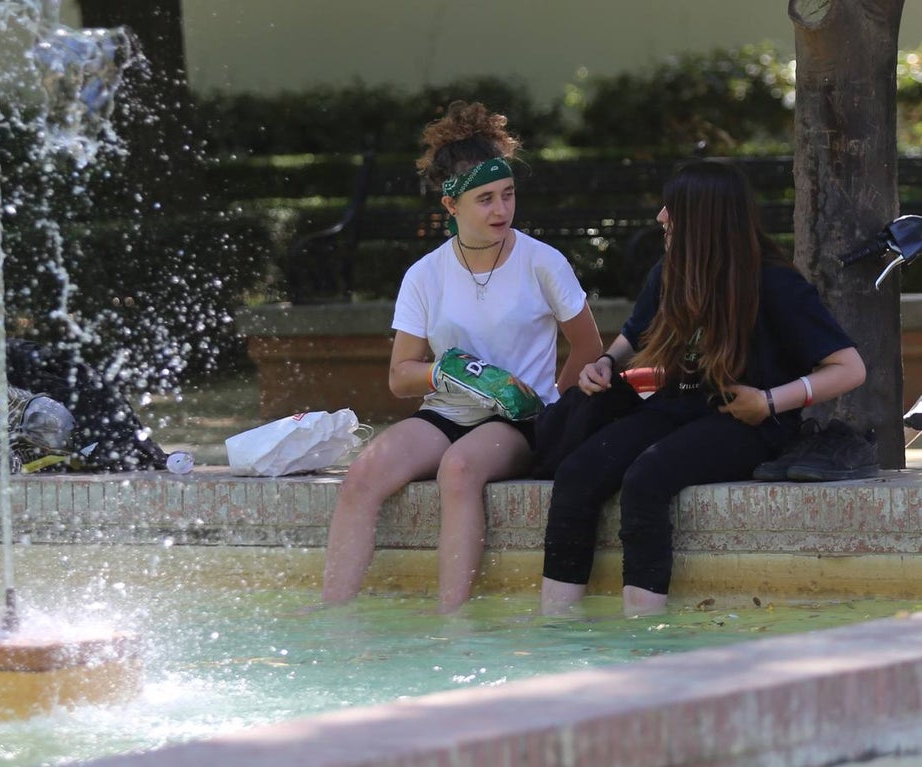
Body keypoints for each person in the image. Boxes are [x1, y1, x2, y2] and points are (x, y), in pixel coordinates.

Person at [540, 159, 867, 617]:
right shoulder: (670, 270)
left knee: (646, 480)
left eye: (672, 207)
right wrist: (604, 363)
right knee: (577, 474)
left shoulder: (773, 281)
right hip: (678, 406)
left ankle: (644, 634)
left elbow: (849, 368)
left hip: (749, 421)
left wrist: (770, 401)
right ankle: (555, 627)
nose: (660, 217)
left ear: (704, 217)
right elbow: (633, 337)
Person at [320, 101, 604, 613]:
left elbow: (588, 347)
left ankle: (452, 621)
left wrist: (550, 401)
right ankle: (332, 615)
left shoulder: (543, 261)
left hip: (519, 421)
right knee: (363, 475)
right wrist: (447, 371)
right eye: (485, 199)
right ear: (451, 206)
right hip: (446, 411)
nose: (501, 210)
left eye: (508, 195)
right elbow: (401, 378)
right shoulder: (424, 274)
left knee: (459, 468)